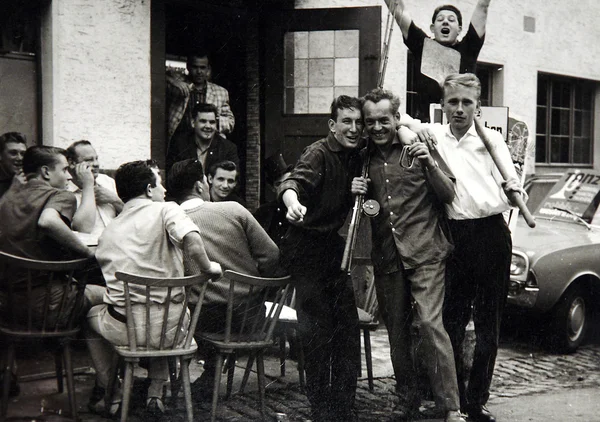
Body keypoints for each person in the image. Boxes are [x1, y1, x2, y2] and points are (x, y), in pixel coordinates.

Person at [414, 73, 525, 422]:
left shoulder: (492, 141)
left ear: (478, 106)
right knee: (453, 322)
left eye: (467, 102)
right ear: (443, 105)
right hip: (455, 237)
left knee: (489, 326)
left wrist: (514, 187)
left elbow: (512, 185)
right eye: (453, 102)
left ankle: (478, 401)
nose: (460, 109)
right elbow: (399, 118)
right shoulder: (433, 137)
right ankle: (455, 402)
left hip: (492, 235)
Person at [351, 88, 464, 422]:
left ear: (396, 118)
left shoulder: (418, 147)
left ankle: (451, 406)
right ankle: (406, 401)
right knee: (397, 332)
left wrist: (429, 163)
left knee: (430, 325)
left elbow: (448, 193)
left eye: (383, 120)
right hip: (387, 255)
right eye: (370, 121)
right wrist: (354, 191)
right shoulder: (362, 156)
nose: (376, 126)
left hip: (426, 251)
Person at [85, 160, 222, 417]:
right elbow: (192, 240)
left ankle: (110, 392)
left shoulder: (108, 232)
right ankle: (155, 394)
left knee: (90, 317)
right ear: (149, 190)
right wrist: (209, 268)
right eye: (160, 184)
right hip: (172, 331)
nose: (165, 191)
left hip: (127, 331)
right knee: (161, 313)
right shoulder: (166, 210)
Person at [278, 95, 363, 421]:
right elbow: (293, 181)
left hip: (331, 247)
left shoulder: (357, 155)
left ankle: (343, 408)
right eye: (347, 122)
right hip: (305, 247)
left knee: (347, 328)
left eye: (358, 122)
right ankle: (321, 409)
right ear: (332, 125)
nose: (354, 129)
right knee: (316, 332)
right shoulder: (318, 153)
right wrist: (292, 202)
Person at [167, 158, 281, 400]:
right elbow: (271, 255)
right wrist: (256, 283)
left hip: (202, 320)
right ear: (200, 185)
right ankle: (213, 371)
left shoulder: (169, 222)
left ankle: (198, 374)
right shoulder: (234, 210)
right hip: (250, 317)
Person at [385, 0, 492, 122]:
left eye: (451, 20)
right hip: (426, 128)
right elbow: (399, 11)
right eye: (440, 19)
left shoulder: (469, 48)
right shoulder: (422, 45)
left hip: (461, 125)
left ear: (459, 29)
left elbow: (483, 6)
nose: (445, 22)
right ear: (432, 28)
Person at [166, 51, 235, 143]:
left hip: (209, 144)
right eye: (195, 67)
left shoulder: (220, 92)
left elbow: (230, 122)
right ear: (188, 67)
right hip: (182, 142)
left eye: (202, 68)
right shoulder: (177, 86)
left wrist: (211, 122)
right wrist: (172, 81)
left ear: (208, 69)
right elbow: (155, 73)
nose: (199, 72)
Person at [66, 140, 123, 239]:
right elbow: (83, 229)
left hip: (116, 243)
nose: (96, 164)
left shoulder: (107, 181)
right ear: (72, 163)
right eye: (89, 160)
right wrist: (87, 184)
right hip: (89, 247)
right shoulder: (65, 190)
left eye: (96, 158)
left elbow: (131, 216)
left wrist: (115, 201)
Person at [166, 102, 239, 173]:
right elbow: (170, 177)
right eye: (203, 121)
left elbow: (234, 180)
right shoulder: (179, 145)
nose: (208, 126)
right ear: (193, 123)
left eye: (212, 122)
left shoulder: (228, 148)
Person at [253, 153, 292, 246]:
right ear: (272, 188)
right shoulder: (263, 212)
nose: (284, 187)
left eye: (287, 181)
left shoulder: (302, 208)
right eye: (279, 184)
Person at [0, 132, 27, 197]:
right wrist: (13, 190)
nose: (19, 158)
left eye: (23, 154)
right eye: (13, 153)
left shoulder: (30, 178)